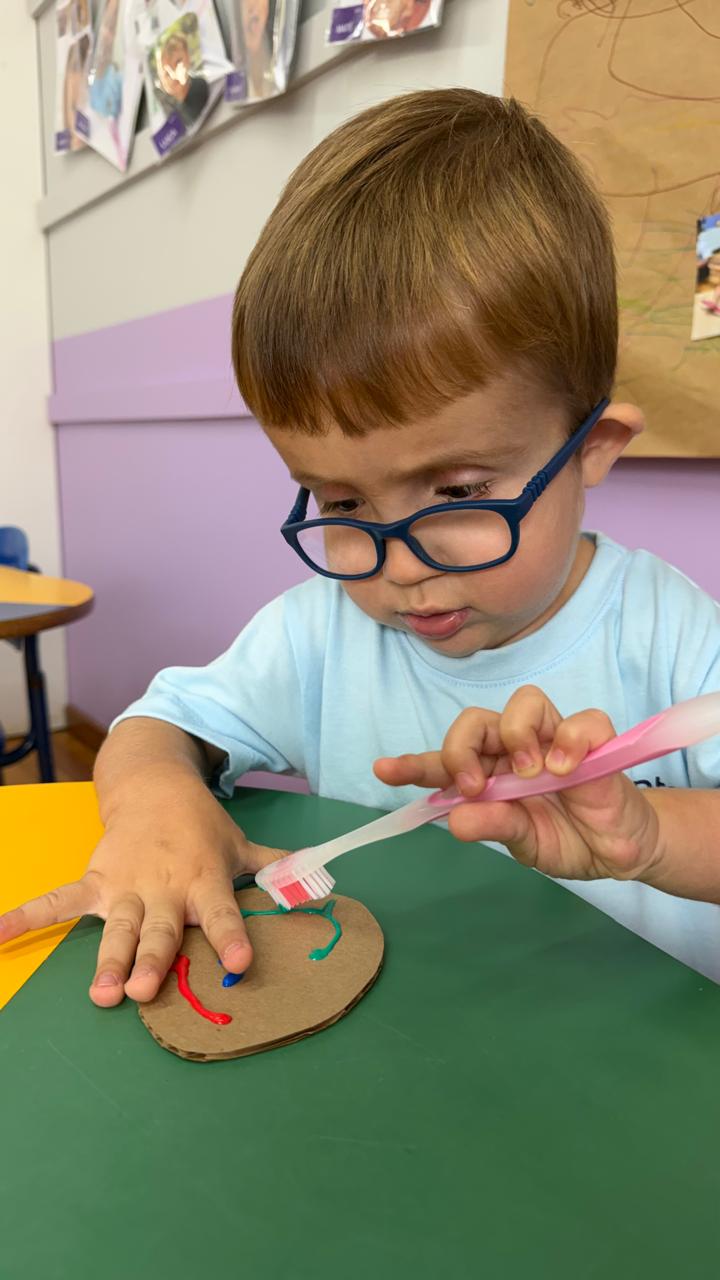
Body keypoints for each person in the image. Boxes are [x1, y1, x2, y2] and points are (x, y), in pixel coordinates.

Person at [3, 89, 719, 1005]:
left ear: (592, 451)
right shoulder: (318, 637)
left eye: (458, 494)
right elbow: (158, 727)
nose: (400, 567)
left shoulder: (672, 637)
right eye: (341, 502)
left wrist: (648, 836)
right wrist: (157, 806)